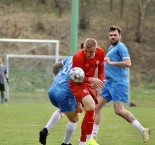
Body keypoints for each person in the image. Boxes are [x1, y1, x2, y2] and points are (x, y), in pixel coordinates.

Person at [92, 25, 150, 145]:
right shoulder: (111, 47)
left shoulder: (121, 47)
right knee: (95, 108)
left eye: (115, 35)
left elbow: (128, 63)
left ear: (120, 36)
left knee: (119, 110)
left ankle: (143, 130)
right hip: (108, 83)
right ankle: (92, 139)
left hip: (118, 83)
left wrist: (111, 62)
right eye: (111, 35)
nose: (112, 37)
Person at [39, 56, 83, 145]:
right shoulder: (83, 63)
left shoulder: (71, 58)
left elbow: (55, 66)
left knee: (62, 110)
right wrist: (78, 103)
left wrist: (56, 78)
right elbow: (78, 85)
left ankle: (45, 130)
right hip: (64, 94)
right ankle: (65, 143)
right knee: (74, 119)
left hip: (53, 89)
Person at [69, 38, 105, 145]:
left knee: (90, 112)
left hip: (88, 84)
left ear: (96, 49)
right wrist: (91, 79)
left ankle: (82, 142)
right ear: (83, 48)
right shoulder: (78, 57)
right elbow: (75, 77)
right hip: (76, 84)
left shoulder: (101, 52)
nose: (88, 54)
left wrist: (99, 86)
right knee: (92, 106)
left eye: (91, 51)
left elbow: (102, 69)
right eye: (86, 51)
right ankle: (90, 140)